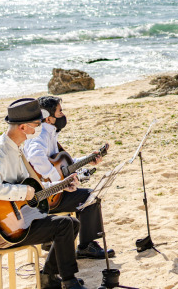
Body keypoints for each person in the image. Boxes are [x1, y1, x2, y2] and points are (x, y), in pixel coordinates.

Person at [0, 98, 88, 289]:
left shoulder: (17, 149)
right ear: (22, 127)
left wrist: (61, 185)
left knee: (73, 224)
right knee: (63, 225)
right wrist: (23, 192)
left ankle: (49, 277)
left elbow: (34, 188)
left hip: (23, 216)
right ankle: (69, 282)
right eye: (37, 124)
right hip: (5, 226)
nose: (40, 127)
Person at [24, 96, 114, 260]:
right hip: (45, 196)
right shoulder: (40, 135)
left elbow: (63, 165)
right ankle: (86, 246)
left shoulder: (49, 133)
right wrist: (57, 180)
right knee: (89, 196)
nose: (63, 115)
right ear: (49, 117)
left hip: (55, 190)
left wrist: (88, 158)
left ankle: (83, 243)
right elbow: (36, 158)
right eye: (60, 111)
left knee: (89, 195)